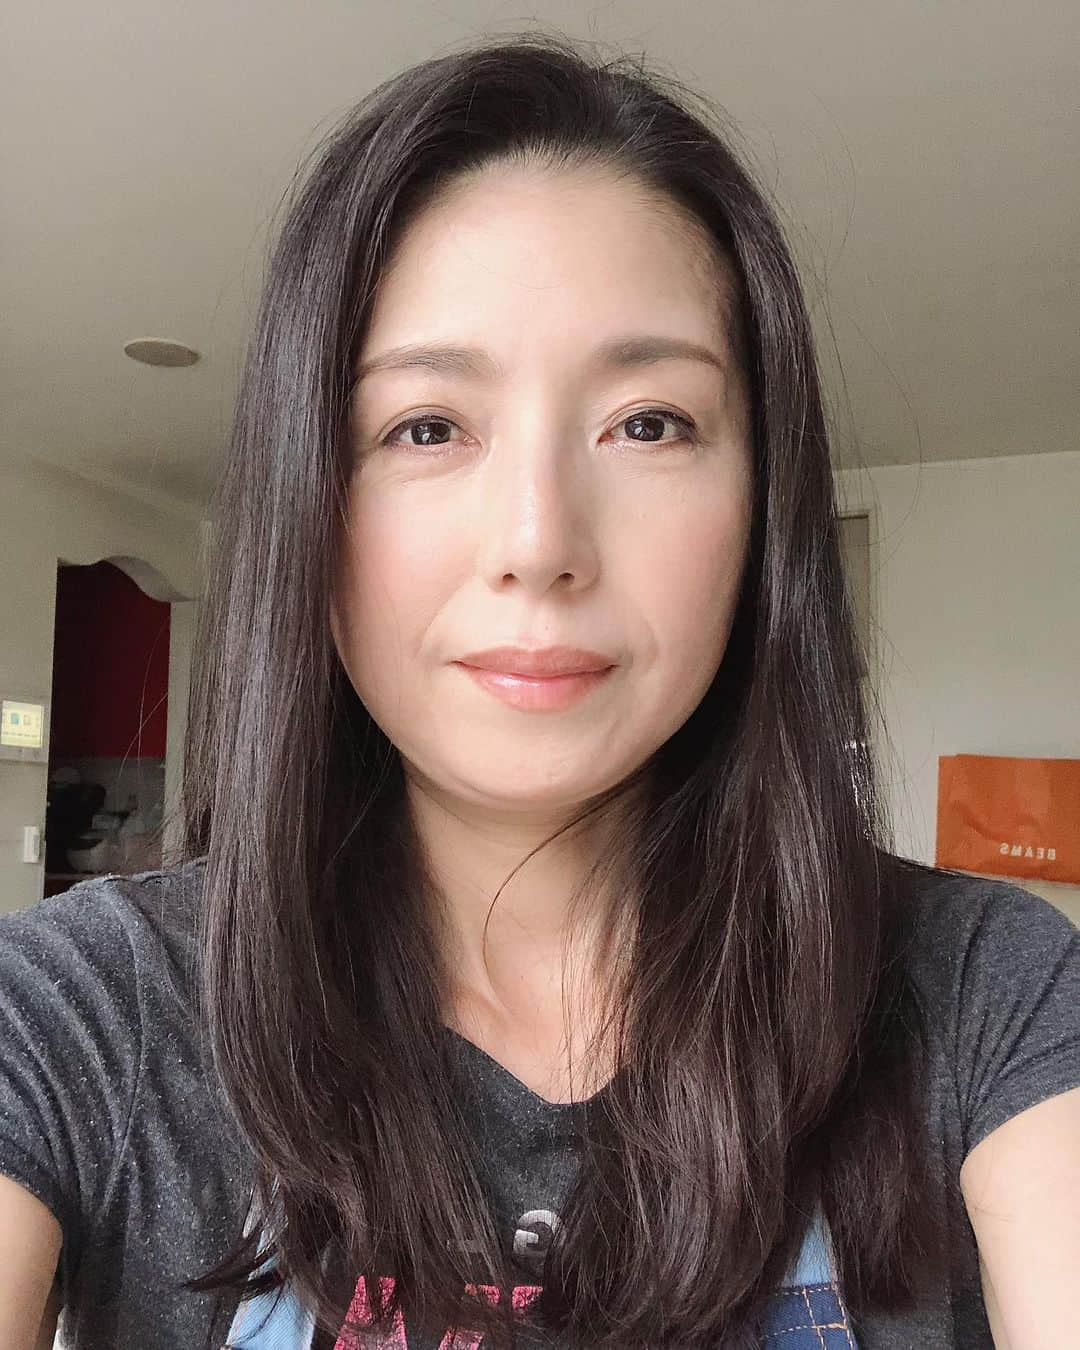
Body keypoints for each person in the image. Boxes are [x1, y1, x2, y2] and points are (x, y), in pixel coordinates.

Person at [1, 29, 1077, 1350]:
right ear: (308, 508)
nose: (538, 540)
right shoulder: (72, 1013)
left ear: (762, 507)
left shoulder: (989, 990)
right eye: (426, 427)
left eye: (648, 422)